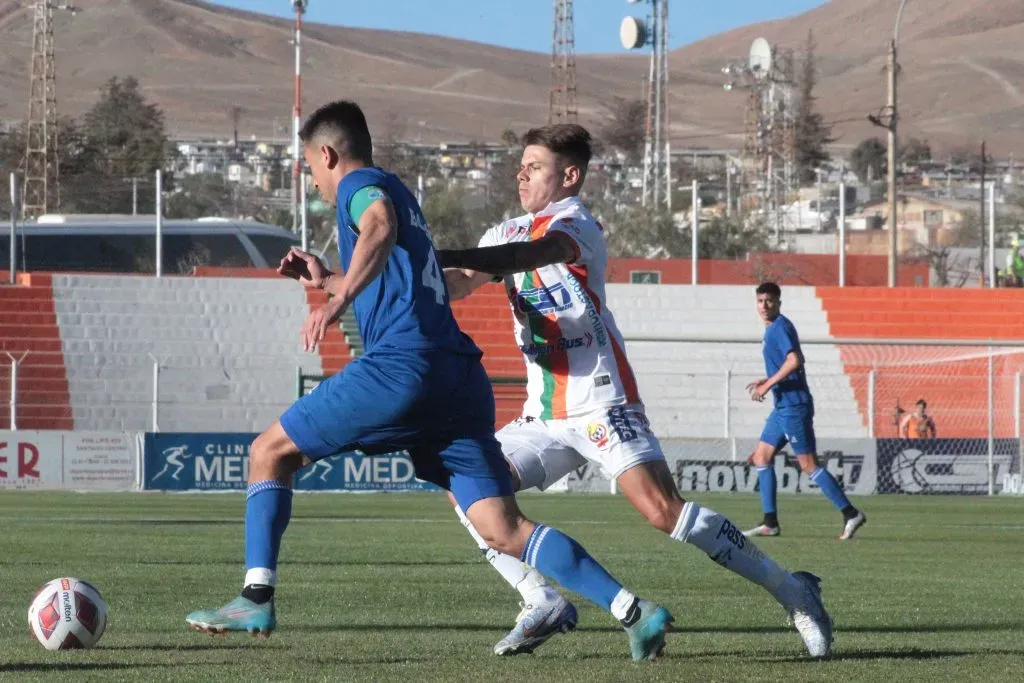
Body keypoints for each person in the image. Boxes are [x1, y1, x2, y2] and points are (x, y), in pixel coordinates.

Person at [184, 101, 679, 661]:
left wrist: (338, 298)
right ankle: (634, 612)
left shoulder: (361, 186)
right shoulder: (400, 192)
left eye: (310, 166)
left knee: (268, 453)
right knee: (502, 526)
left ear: (326, 154)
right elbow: (398, 269)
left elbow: (377, 225)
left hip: (403, 365)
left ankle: (255, 596)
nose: (314, 180)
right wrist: (328, 278)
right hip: (457, 375)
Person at [439, 123, 833, 659]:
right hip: (544, 413)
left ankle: (794, 591)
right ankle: (540, 600)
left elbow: (527, 258)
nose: (521, 174)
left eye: (534, 166)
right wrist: (367, 276)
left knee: (662, 511)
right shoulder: (503, 232)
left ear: (569, 175)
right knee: (467, 489)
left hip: (603, 400)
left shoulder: (575, 224)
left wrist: (432, 249)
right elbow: (461, 281)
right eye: (521, 165)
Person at [742, 282, 867, 541]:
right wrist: (765, 380)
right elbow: (787, 365)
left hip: (794, 406)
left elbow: (795, 360)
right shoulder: (771, 329)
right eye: (760, 301)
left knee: (808, 465)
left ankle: (850, 513)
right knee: (761, 457)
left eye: (769, 301)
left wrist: (767, 384)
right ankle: (770, 522)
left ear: (778, 303)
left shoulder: (780, 327)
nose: (764, 306)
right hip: (782, 407)